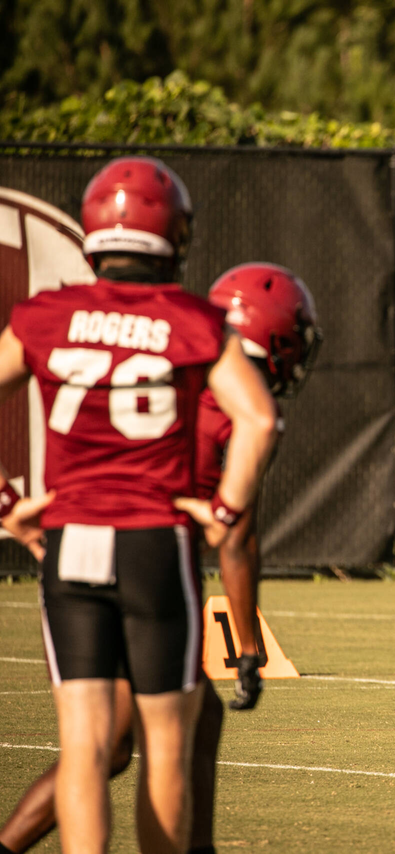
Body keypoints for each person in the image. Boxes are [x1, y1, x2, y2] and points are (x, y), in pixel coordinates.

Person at [0, 156, 278, 854]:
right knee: (164, 739)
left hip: (71, 541)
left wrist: (7, 502)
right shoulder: (193, 320)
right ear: (175, 236)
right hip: (154, 539)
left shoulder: (46, 315)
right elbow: (259, 418)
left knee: (85, 745)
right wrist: (227, 507)